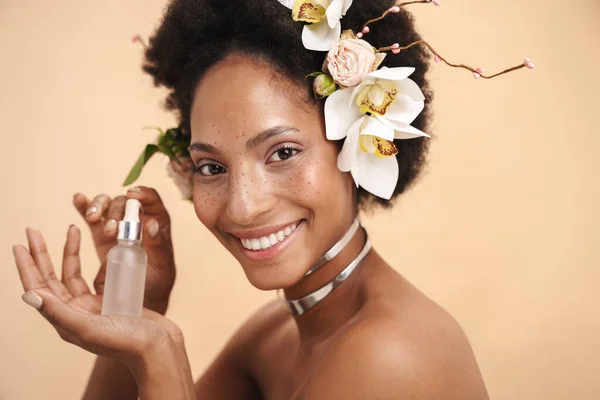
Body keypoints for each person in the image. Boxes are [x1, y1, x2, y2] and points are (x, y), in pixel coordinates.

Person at [13, 0, 494, 398]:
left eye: (283, 152)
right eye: (212, 167)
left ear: (357, 141)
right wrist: (137, 307)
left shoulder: (389, 356)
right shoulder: (278, 330)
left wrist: (160, 351)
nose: (243, 206)